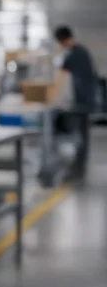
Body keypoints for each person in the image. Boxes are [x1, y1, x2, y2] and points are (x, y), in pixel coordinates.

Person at [52, 25, 97, 179]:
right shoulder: (81, 52)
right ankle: (79, 168)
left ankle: (77, 170)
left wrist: (56, 98)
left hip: (80, 102)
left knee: (78, 136)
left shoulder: (74, 54)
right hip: (84, 100)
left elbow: (61, 76)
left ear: (62, 40)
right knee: (81, 135)